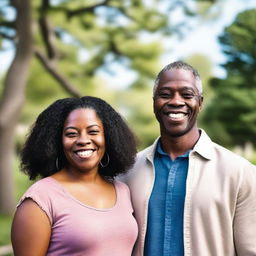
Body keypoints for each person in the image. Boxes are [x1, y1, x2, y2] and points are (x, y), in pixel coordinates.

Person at [120, 61, 256, 256]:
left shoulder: (240, 173)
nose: (176, 101)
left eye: (187, 94)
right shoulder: (127, 172)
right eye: (165, 95)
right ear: (154, 104)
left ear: (199, 103)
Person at [11, 96, 138, 256]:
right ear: (57, 141)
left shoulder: (122, 190)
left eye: (93, 131)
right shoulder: (40, 198)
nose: (83, 140)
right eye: (71, 134)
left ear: (109, 138)